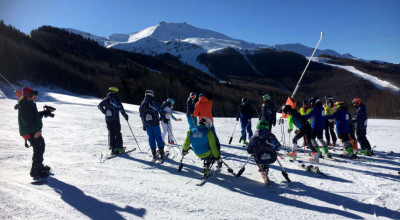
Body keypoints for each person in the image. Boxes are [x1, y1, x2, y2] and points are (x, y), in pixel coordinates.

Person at [14, 87, 52, 180]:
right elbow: (28, 121)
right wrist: (36, 131)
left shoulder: (29, 103)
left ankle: (39, 166)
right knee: (39, 147)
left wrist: (44, 113)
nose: (35, 98)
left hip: (32, 130)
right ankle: (36, 172)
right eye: (34, 96)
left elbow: (34, 116)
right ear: (28, 96)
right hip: (29, 131)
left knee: (40, 146)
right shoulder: (24, 106)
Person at [98, 86, 129, 155]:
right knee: (118, 133)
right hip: (115, 119)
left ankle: (113, 149)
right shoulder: (116, 99)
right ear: (115, 92)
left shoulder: (106, 99)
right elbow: (121, 108)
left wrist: (105, 112)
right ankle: (120, 148)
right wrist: (125, 115)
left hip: (108, 119)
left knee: (111, 133)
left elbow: (99, 106)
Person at [139, 89, 167, 160]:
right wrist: (164, 118)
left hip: (147, 124)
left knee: (151, 137)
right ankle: (161, 152)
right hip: (155, 123)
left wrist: (144, 124)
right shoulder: (153, 102)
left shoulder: (142, 104)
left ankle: (153, 153)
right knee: (158, 136)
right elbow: (160, 110)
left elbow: (141, 115)